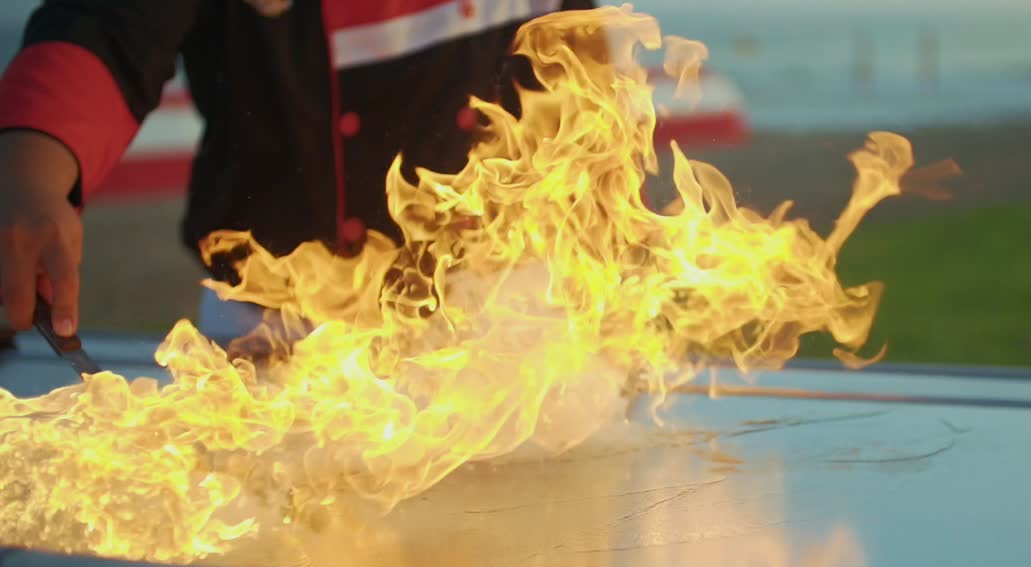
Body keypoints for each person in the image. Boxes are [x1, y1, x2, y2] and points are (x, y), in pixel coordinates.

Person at [0, 0, 591, 341]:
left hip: (507, 323)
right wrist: (31, 171)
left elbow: (578, 63)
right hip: (280, 331)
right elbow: (108, 26)